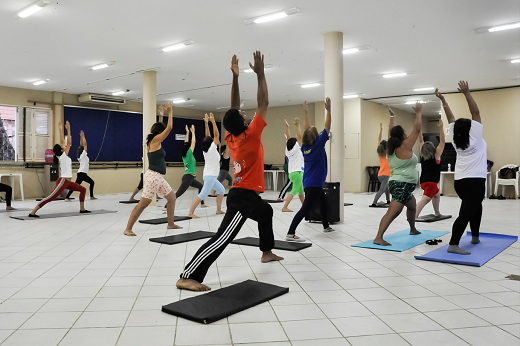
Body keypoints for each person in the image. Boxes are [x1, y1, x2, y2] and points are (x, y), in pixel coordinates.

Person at [176, 51, 283, 292]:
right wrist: (260, 74)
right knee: (223, 238)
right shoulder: (251, 136)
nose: (246, 112)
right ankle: (187, 274)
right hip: (241, 197)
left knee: (266, 212)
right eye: (245, 115)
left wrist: (235, 78)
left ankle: (266, 252)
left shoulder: (231, 136)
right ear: (245, 124)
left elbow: (234, 108)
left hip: (248, 194)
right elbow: (263, 103)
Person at [438, 82, 486, 255]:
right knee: (465, 213)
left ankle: (475, 236)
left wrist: (444, 100)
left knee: (475, 207)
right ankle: (453, 244)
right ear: (470, 129)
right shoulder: (476, 137)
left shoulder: (457, 141)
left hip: (460, 182)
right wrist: (467, 92)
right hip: (475, 181)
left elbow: (451, 118)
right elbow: (476, 112)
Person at [123, 103, 182, 236]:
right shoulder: (155, 140)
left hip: (159, 178)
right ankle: (128, 229)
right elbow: (170, 127)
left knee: (172, 198)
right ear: (159, 133)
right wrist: (170, 111)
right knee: (143, 204)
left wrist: (161, 116)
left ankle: (170, 224)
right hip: (153, 177)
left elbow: (161, 128)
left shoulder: (155, 139)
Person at [286, 97, 335, 242]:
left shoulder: (305, 147)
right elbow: (328, 126)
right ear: (316, 137)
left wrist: (306, 112)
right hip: (314, 185)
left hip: (310, 183)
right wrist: (329, 110)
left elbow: (307, 130)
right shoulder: (319, 145)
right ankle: (290, 233)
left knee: (323, 202)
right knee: (305, 209)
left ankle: (326, 225)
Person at [373, 103, 422, 246]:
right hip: (401, 184)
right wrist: (418, 113)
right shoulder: (404, 146)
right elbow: (417, 129)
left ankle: (413, 229)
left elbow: (390, 132)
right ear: (403, 136)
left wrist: (392, 116)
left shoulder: (391, 147)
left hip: (401, 185)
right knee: (393, 212)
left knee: (412, 205)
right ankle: (378, 237)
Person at [29, 121, 90, 217]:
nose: (64, 146)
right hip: (63, 181)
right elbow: (68, 142)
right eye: (63, 147)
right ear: (62, 150)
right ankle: (33, 211)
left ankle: (82, 209)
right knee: (50, 197)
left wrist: (61, 130)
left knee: (83, 189)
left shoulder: (62, 155)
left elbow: (62, 142)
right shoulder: (63, 156)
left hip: (68, 182)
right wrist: (68, 129)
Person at [186, 113, 225, 218]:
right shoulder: (212, 148)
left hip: (211, 176)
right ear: (211, 143)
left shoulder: (207, 149)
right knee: (202, 195)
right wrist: (213, 122)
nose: (214, 140)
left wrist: (206, 123)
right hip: (210, 177)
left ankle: (218, 210)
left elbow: (207, 136)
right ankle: (190, 213)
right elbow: (216, 135)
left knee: (221, 190)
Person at [163, 124, 206, 209]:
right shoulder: (189, 153)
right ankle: (166, 206)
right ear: (188, 149)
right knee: (178, 193)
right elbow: (193, 142)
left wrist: (187, 132)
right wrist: (193, 132)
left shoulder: (184, 155)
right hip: (188, 177)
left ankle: (202, 203)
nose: (190, 146)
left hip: (189, 177)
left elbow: (186, 143)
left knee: (201, 186)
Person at [415, 118, 446, 220]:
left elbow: (420, 141)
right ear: (433, 148)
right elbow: (442, 142)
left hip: (423, 182)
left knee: (436, 195)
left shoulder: (423, 155)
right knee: (425, 200)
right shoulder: (436, 154)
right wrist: (441, 128)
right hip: (431, 183)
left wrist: (419, 130)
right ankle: (414, 216)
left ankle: (437, 213)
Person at [281, 114, 305, 212]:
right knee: (294, 190)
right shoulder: (296, 148)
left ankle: (305, 206)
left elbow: (288, 139)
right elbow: (299, 136)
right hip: (298, 173)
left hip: (292, 173)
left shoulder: (287, 150)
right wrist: (298, 125)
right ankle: (284, 207)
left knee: (301, 191)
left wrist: (288, 127)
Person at [65, 130, 97, 201]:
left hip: (81, 173)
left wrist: (81, 137)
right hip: (82, 173)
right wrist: (83, 136)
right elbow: (85, 145)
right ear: (83, 151)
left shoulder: (80, 156)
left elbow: (82, 145)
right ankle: (67, 197)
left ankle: (67, 197)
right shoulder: (83, 155)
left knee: (78, 185)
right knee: (91, 182)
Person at [370, 121, 391, 206]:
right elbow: (390, 140)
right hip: (386, 174)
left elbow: (379, 140)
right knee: (382, 189)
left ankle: (388, 200)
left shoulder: (380, 153)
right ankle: (374, 202)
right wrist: (389, 129)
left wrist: (381, 129)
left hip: (380, 175)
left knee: (387, 188)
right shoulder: (387, 153)